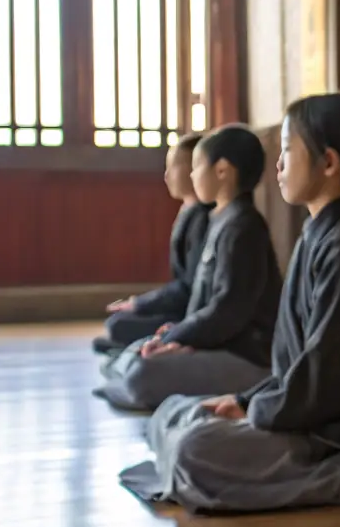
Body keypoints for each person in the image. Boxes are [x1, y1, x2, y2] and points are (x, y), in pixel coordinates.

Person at [119, 92, 340, 513]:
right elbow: (296, 366)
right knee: (173, 415)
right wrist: (246, 401)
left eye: (289, 150)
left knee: (193, 449)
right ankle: (298, 463)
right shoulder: (319, 235)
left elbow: (326, 374)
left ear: (328, 164)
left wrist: (255, 410)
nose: (279, 164)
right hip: (300, 409)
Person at [98, 125, 282, 412]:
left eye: (197, 167)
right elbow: (201, 300)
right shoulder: (222, 219)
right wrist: (176, 333)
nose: (193, 176)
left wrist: (183, 338)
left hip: (249, 357)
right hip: (220, 345)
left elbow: (228, 311)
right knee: (138, 355)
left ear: (222, 171)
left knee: (141, 372)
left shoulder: (244, 227)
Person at [93, 133, 213, 356]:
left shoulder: (203, 219)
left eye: (174, 166)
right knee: (117, 323)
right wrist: (139, 303)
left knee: (118, 325)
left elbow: (189, 286)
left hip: (190, 312)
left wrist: (140, 304)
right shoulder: (189, 212)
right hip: (181, 306)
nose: (167, 175)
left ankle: (141, 345)